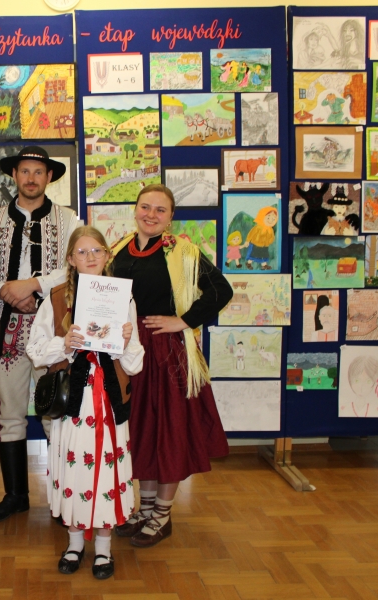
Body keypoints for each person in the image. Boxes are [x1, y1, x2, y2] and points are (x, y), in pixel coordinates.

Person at [109, 184, 233, 548]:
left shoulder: (185, 251)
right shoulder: (117, 250)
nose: (151, 215)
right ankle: (145, 509)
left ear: (171, 217)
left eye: (160, 210)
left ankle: (162, 515)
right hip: (129, 352)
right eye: (145, 207)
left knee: (168, 431)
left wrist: (183, 321)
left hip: (166, 355)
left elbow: (221, 290)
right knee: (143, 431)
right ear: (135, 210)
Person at [26, 226, 144, 580]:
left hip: (109, 402)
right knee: (74, 470)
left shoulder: (123, 297)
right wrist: (64, 344)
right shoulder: (56, 297)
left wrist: (125, 340)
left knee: (106, 472)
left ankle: (104, 549)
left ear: (107, 255)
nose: (90, 257)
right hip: (72, 405)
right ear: (71, 259)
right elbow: (35, 351)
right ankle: (75, 543)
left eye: (96, 250)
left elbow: (135, 364)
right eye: (82, 251)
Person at [0, 146, 81, 522]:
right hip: (5, 331)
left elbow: (75, 266)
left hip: (53, 331)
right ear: (14, 175)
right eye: (25, 171)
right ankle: (16, 495)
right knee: (10, 415)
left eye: (38, 172)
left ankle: (64, 496)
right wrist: (7, 291)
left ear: (49, 177)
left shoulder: (69, 219)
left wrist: (33, 285)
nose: (31, 178)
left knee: (56, 413)